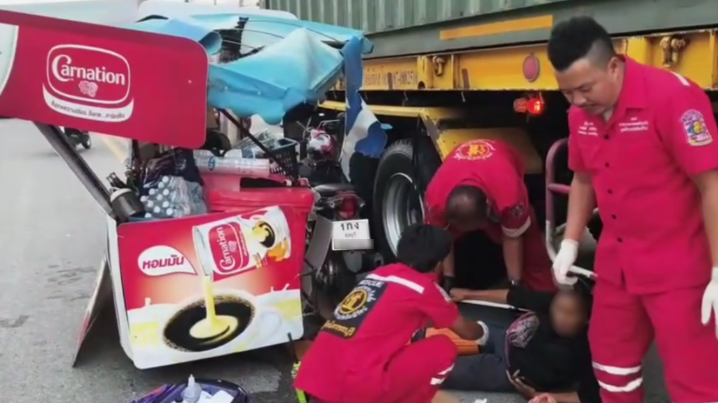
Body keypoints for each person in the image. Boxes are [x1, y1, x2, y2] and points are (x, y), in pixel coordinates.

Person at [547, 16, 718, 403]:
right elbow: (583, 179)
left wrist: (717, 270)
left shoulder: (673, 99)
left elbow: (712, 185)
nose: (577, 101)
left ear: (614, 65)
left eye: (585, 88)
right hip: (617, 264)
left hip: (680, 264)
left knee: (696, 380)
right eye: (567, 92)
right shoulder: (580, 116)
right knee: (611, 365)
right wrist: (570, 241)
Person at [294, 224, 488, 403]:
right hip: (355, 386)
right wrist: (483, 330)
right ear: (439, 263)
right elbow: (467, 332)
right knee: (443, 349)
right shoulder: (424, 288)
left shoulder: (377, 275)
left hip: (317, 378)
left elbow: (390, 316)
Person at [424, 138, 555, 292]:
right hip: (468, 182)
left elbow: (513, 238)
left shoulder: (510, 196)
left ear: (489, 209)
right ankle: (428, 290)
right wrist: (448, 277)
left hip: (501, 166)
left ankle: (544, 292)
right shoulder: (435, 199)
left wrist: (515, 283)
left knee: (532, 250)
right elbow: (442, 240)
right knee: (430, 252)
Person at [445, 285, 599, 403]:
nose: (561, 317)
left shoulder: (591, 348)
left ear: (587, 318)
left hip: (507, 371)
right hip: (507, 337)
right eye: (558, 309)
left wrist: (540, 395)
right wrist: (468, 294)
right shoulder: (555, 300)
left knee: (442, 370)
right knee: (459, 331)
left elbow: (590, 397)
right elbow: (514, 296)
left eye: (570, 314)